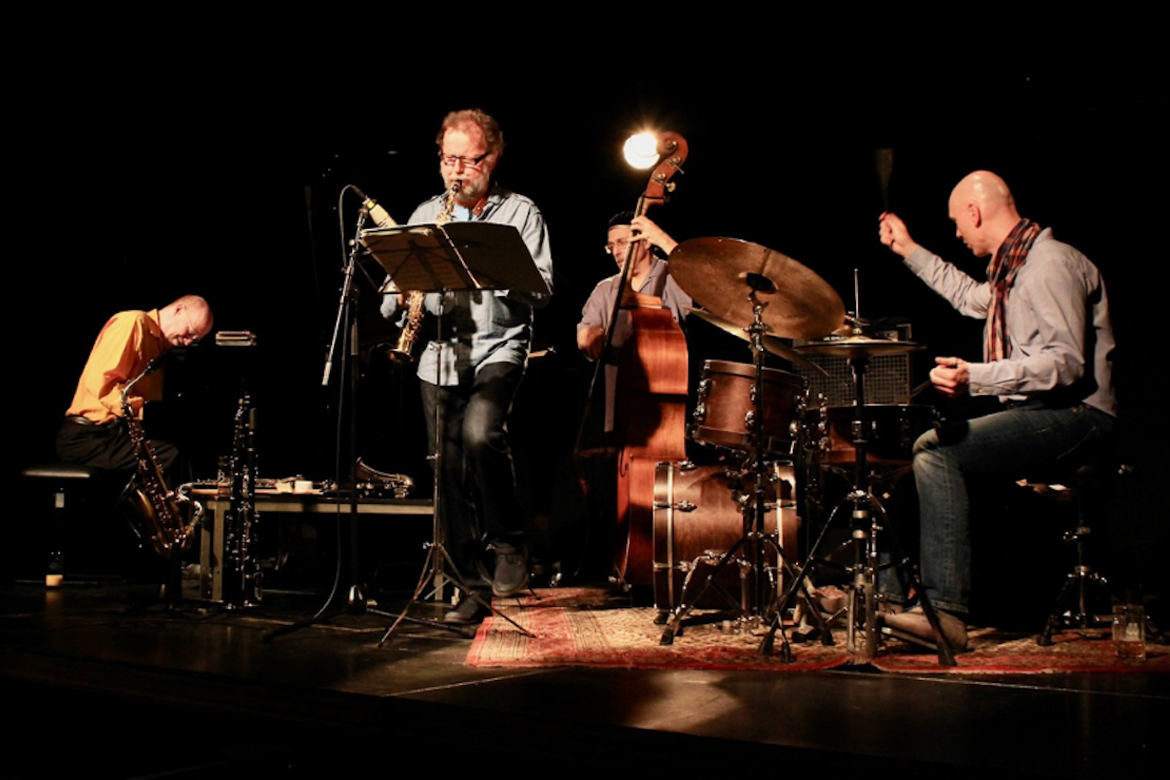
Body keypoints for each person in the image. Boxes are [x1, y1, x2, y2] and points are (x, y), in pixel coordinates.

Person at [878, 171, 1116, 651]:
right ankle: (884, 603)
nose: (957, 233)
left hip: (1079, 416)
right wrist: (908, 249)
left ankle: (945, 614)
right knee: (907, 477)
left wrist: (976, 376)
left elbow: (1065, 364)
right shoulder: (1013, 271)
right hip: (1047, 413)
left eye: (956, 223)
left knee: (936, 451)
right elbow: (969, 298)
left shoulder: (1048, 265)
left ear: (974, 211)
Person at [381, 109, 554, 625]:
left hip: (498, 346)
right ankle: (470, 585)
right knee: (444, 470)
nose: (457, 170)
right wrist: (401, 295)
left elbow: (542, 290)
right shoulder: (426, 213)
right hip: (438, 354)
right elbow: (390, 300)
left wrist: (496, 270)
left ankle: (510, 543)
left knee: (481, 435)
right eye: (448, 159)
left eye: (469, 160)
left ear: (492, 158)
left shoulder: (521, 212)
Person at [56, 295, 215, 477]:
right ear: (179, 310)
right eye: (189, 332)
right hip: (89, 436)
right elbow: (101, 383)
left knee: (183, 450)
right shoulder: (133, 323)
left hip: (116, 436)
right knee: (169, 457)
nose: (187, 342)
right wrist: (143, 410)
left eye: (194, 339)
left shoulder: (160, 348)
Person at [577, 212, 690, 361]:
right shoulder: (605, 288)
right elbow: (586, 330)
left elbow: (705, 279)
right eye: (611, 246)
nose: (616, 252)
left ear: (646, 241)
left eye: (622, 242)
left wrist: (662, 239)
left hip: (667, 369)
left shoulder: (674, 275)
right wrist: (588, 337)